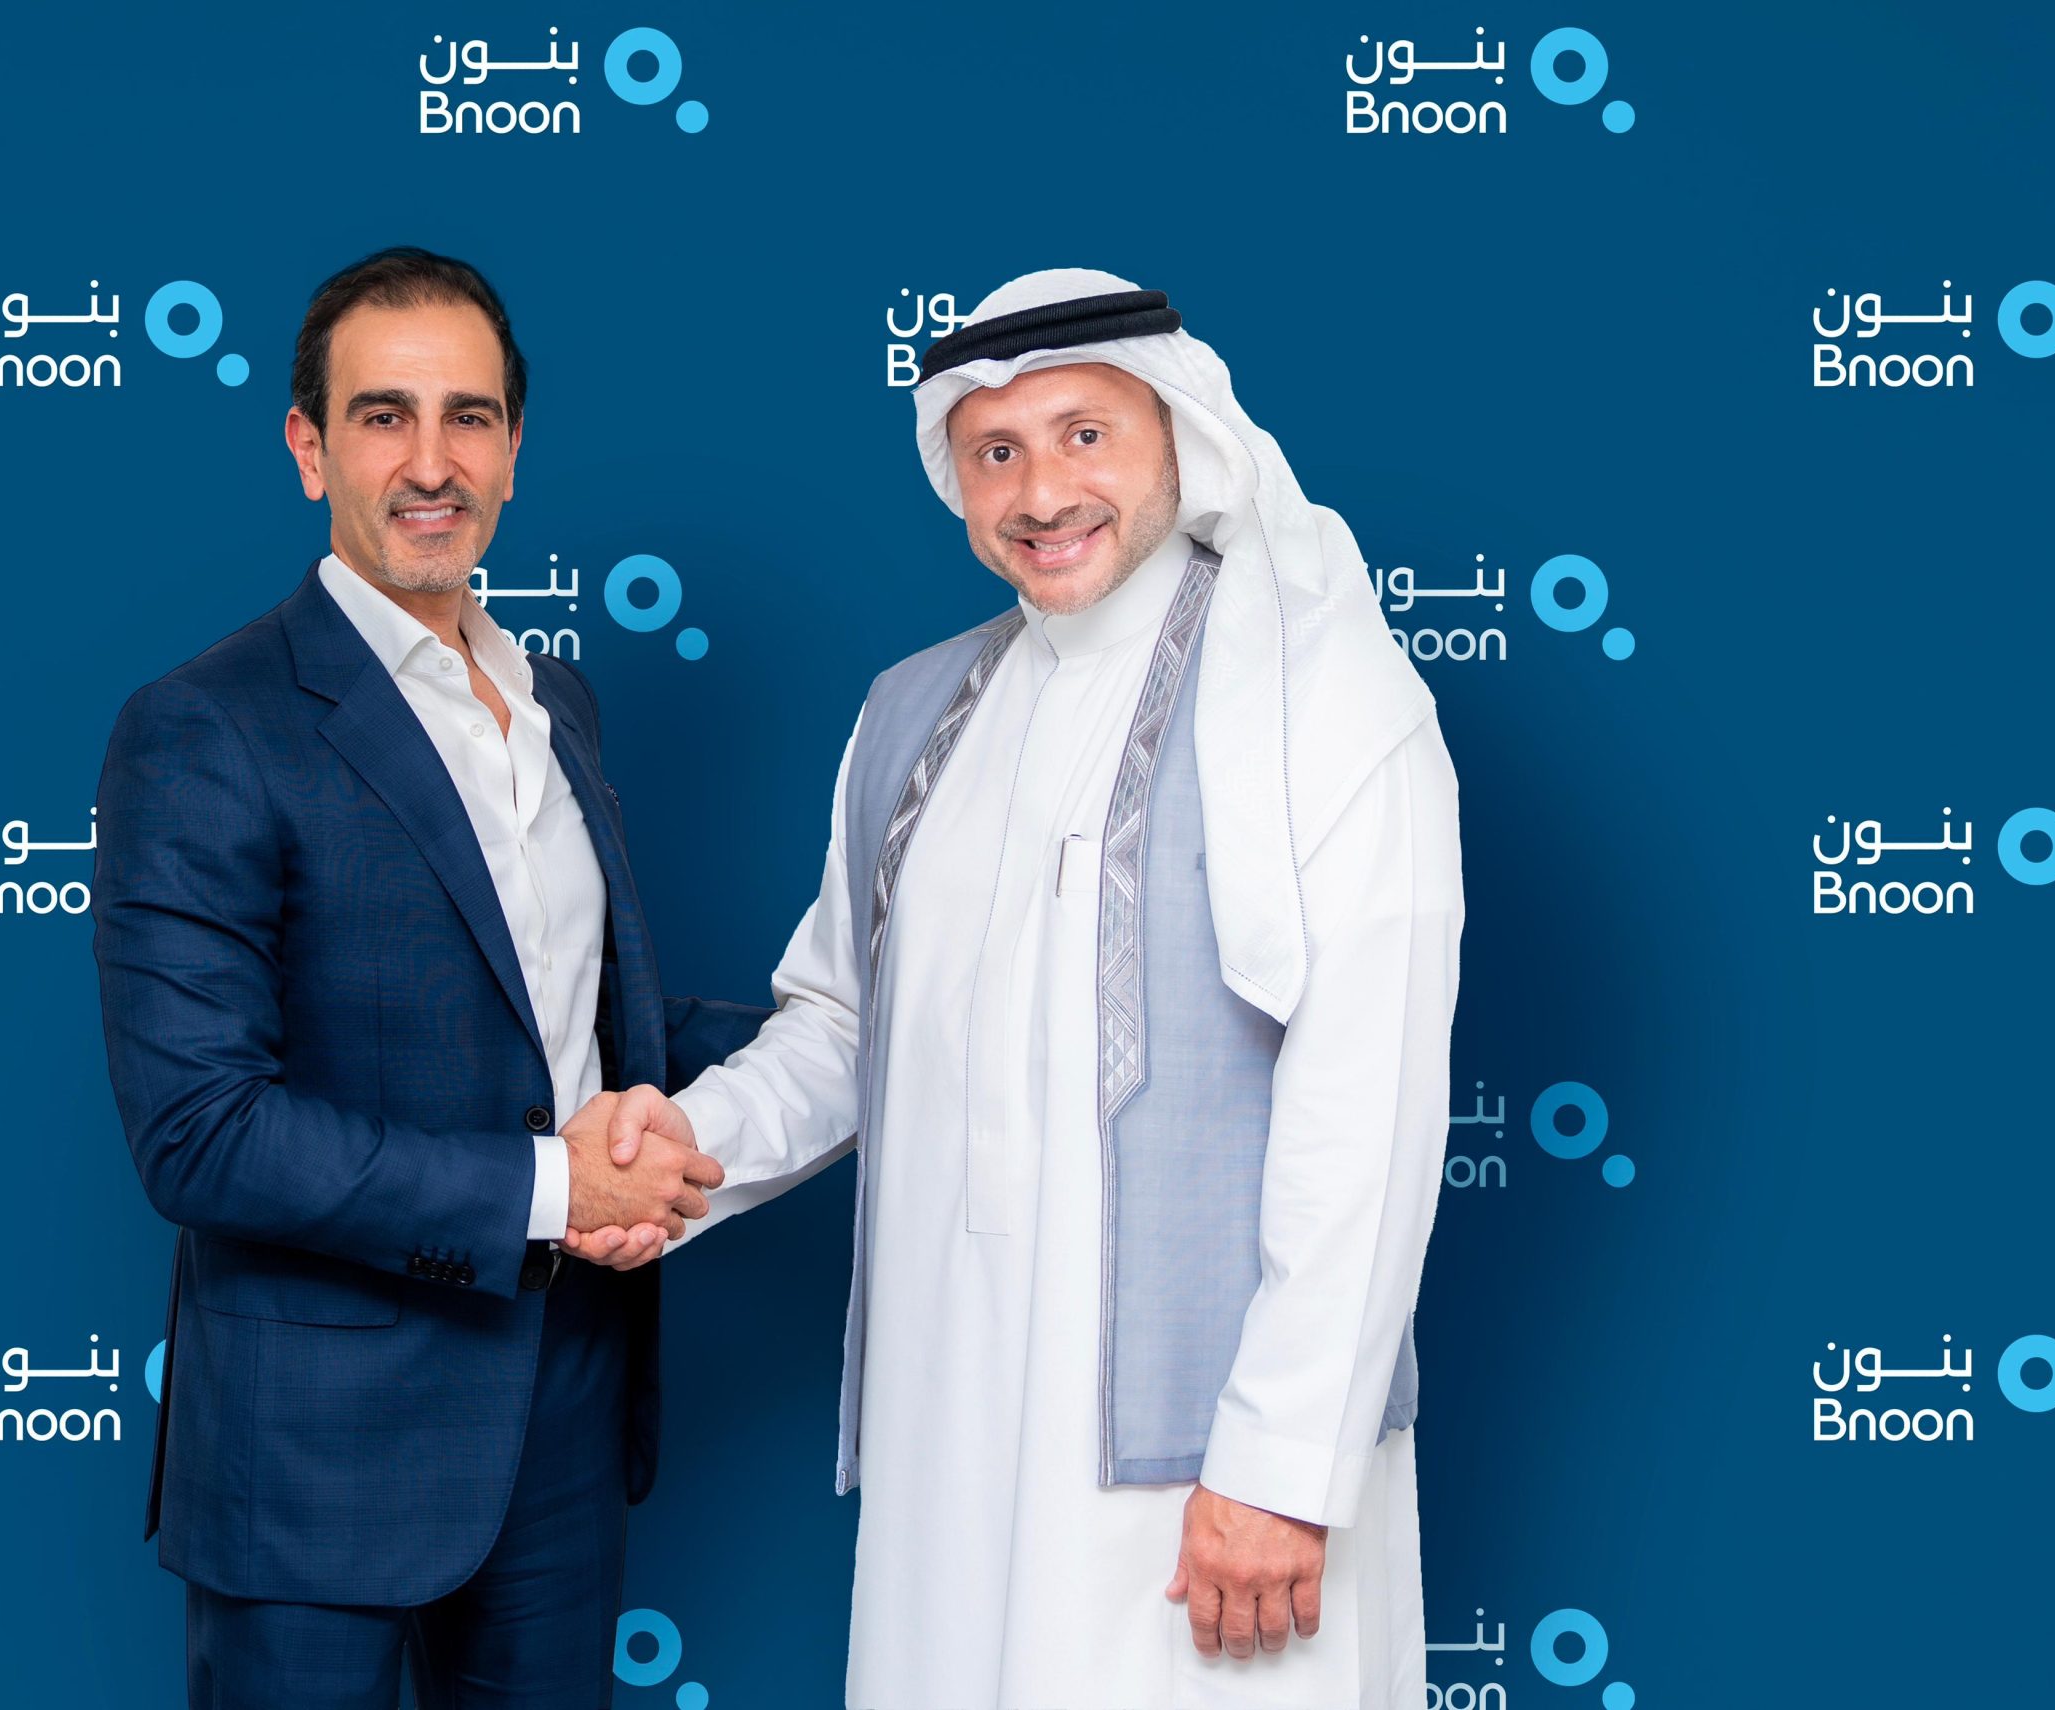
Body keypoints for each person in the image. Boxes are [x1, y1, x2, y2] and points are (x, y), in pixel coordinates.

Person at [574, 268, 1465, 1708]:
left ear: (1179, 435)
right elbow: (846, 1024)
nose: (1042, 493)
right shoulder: (912, 709)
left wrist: (1283, 1466)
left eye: (1084, 436)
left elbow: (1372, 1101)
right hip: (956, 1431)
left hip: (1206, 1469)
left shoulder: (1324, 693)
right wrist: (694, 1145)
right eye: (996, 452)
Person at [90, 246, 763, 1710]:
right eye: (383, 415)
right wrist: (558, 1189)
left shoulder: (555, 699)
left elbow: (574, 1030)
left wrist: (869, 1033)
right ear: (308, 446)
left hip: (564, 1418)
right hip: (313, 1462)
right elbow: (202, 1131)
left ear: (514, 450)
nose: (430, 462)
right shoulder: (206, 726)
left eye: (469, 417)